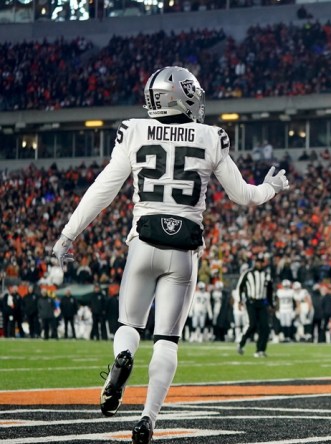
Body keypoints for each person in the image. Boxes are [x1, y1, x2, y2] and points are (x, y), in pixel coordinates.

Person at [50, 66, 289, 444]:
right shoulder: (211, 137)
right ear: (179, 95)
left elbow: (103, 190)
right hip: (184, 251)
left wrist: (67, 235)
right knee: (166, 340)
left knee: (128, 325)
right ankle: (148, 418)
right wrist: (271, 187)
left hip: (143, 242)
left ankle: (123, 357)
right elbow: (244, 195)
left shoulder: (134, 131)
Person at [237, 254, 276, 356]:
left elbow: (270, 291)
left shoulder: (267, 274)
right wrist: (240, 300)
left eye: (261, 262)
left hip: (262, 302)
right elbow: (240, 287)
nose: (259, 264)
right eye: (258, 261)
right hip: (251, 302)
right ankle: (241, 343)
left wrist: (271, 304)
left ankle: (260, 350)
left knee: (265, 327)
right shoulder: (248, 273)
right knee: (252, 325)